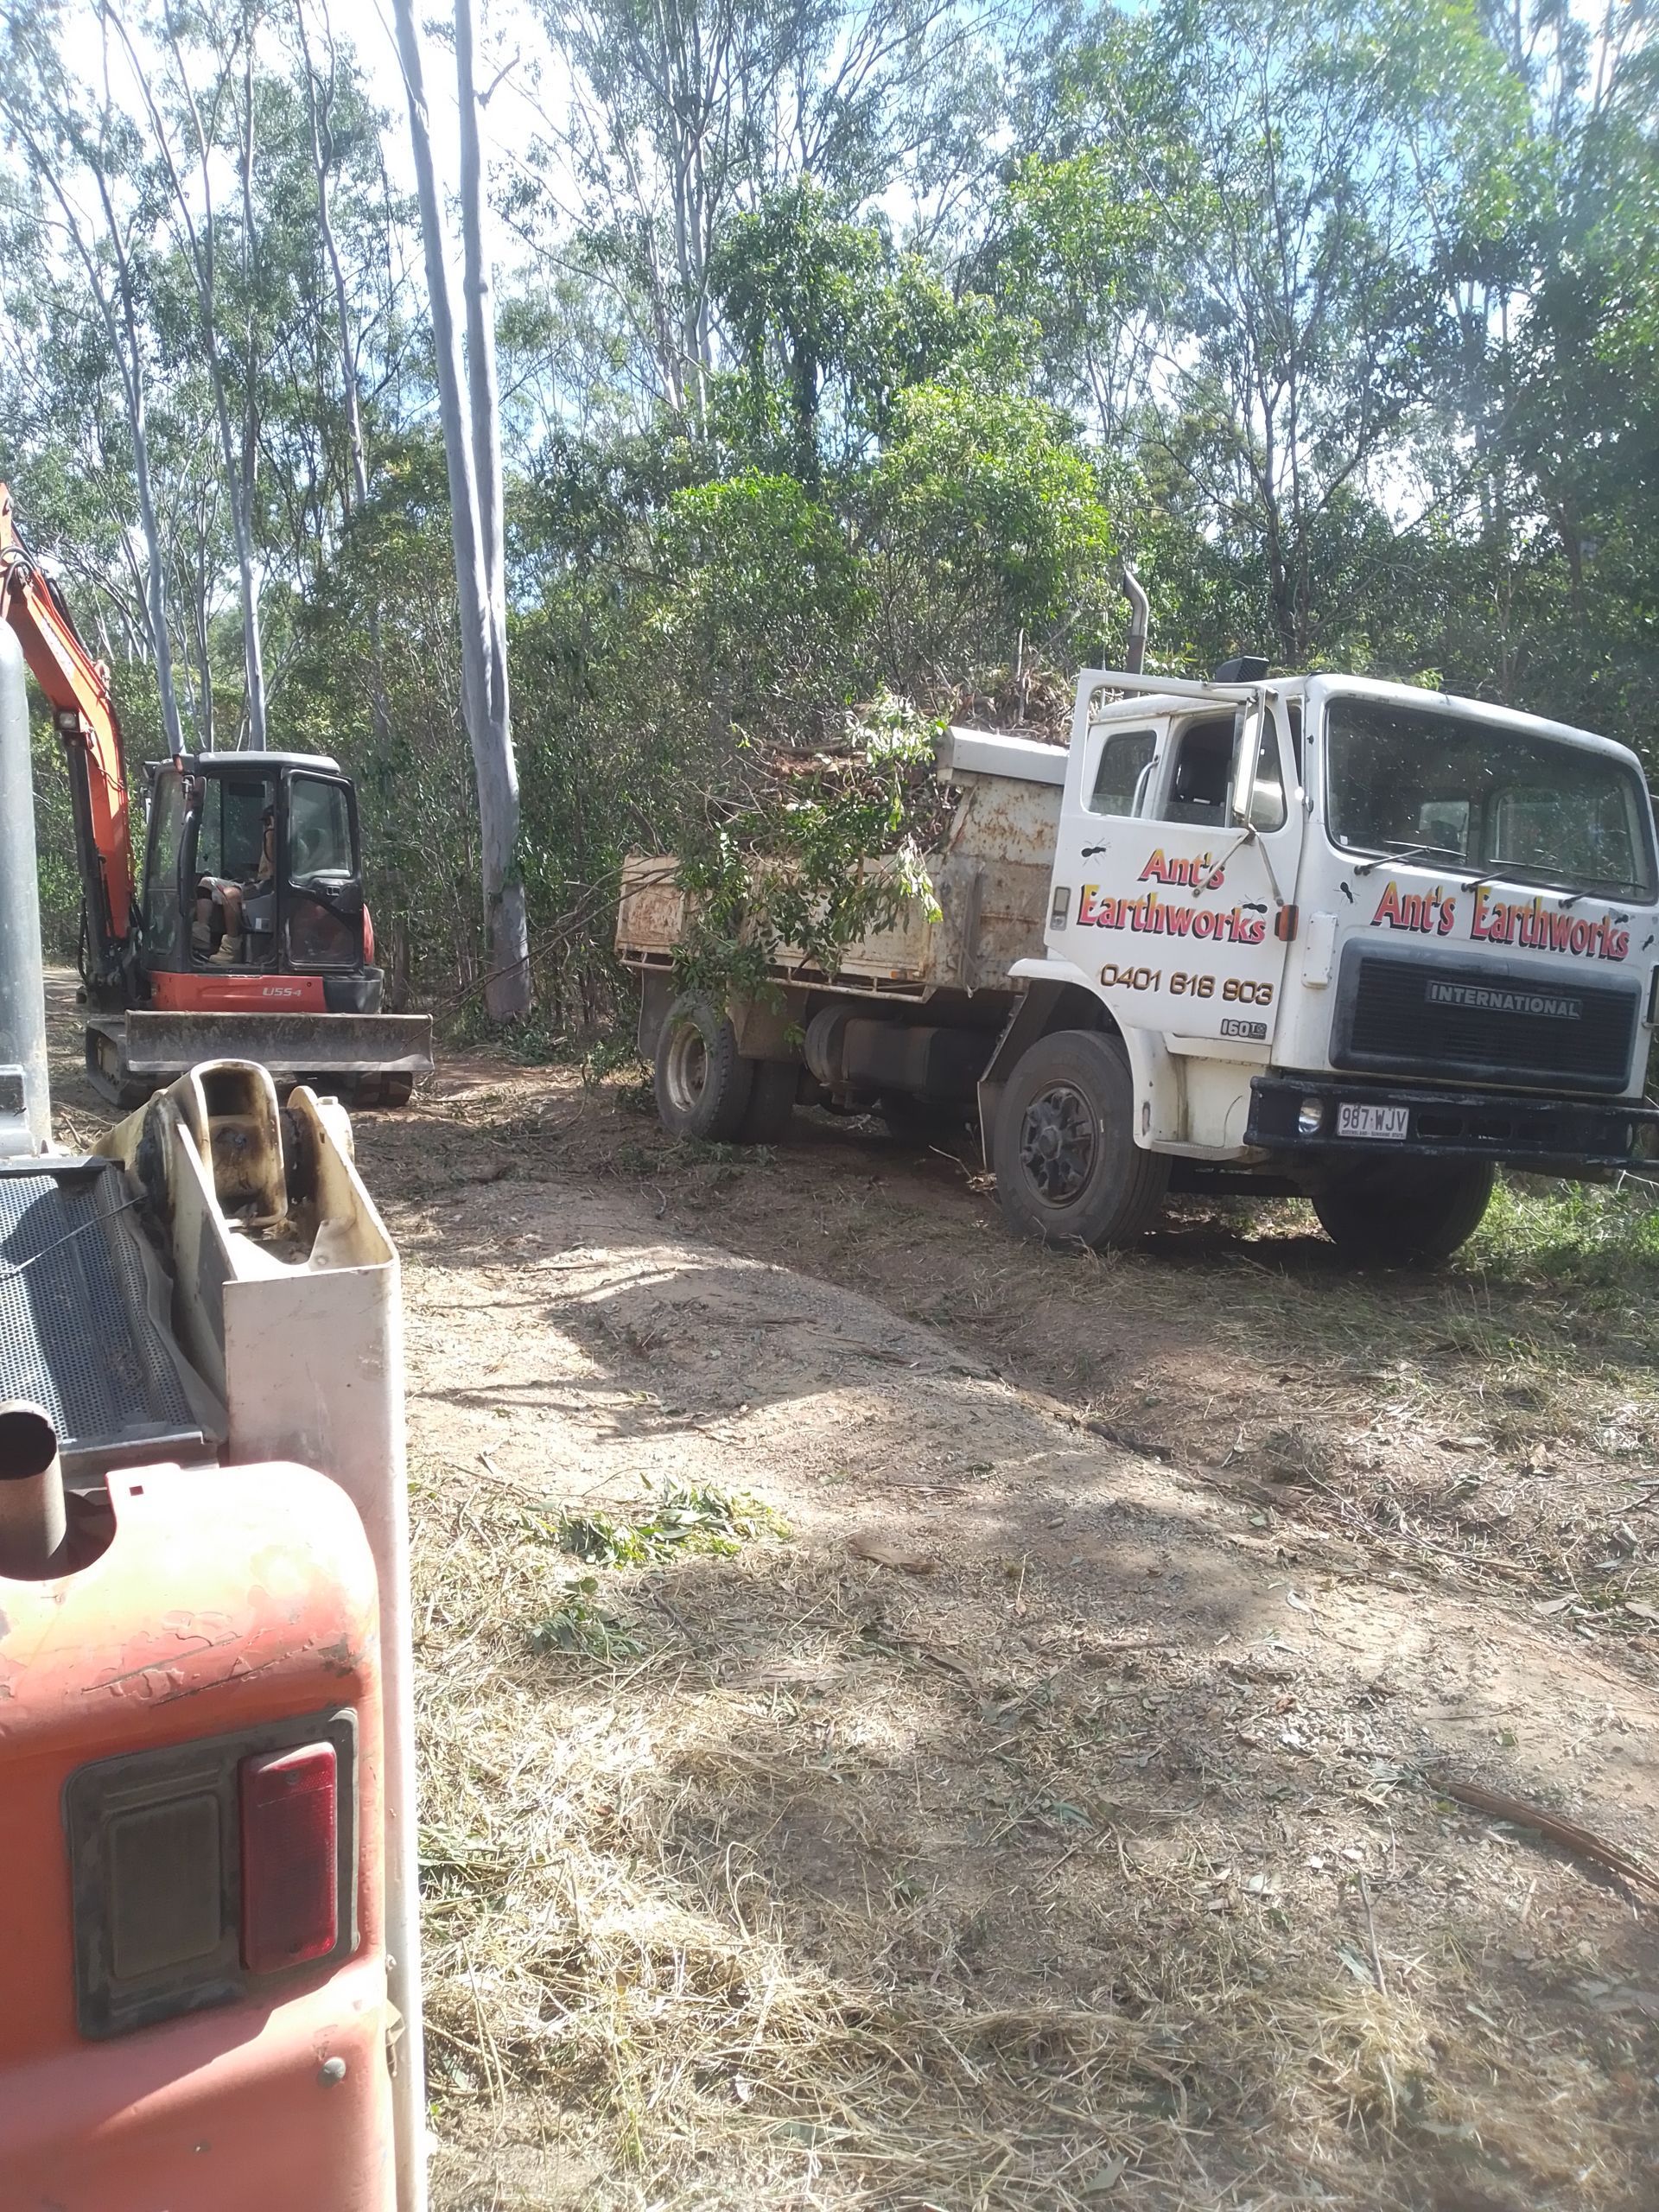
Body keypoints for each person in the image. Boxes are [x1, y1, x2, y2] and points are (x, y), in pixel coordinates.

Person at [194, 805, 275, 965]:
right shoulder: (268, 837)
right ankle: (201, 936)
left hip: (271, 886)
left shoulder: (278, 839)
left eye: (268, 821)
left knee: (230, 895)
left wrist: (272, 833)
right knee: (206, 883)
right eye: (265, 823)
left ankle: (232, 949)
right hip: (258, 883)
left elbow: (274, 870)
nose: (266, 826)